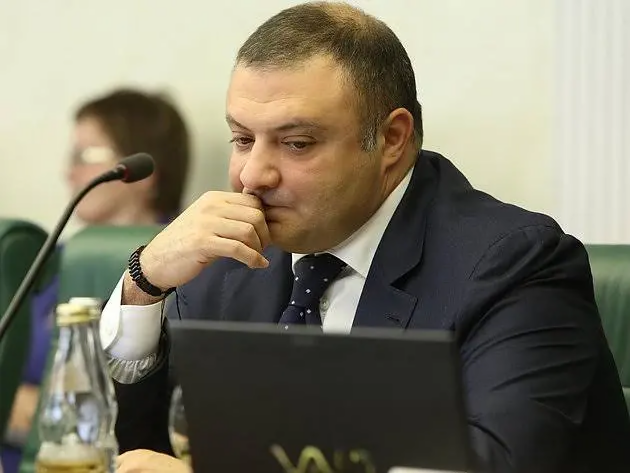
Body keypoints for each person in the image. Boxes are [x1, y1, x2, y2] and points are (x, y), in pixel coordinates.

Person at [104, 3, 630, 473]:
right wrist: (144, 284)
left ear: (391, 139)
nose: (252, 175)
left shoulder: (514, 266)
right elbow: (122, 448)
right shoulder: (227, 255)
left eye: (297, 143)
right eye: (242, 139)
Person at [0, 89, 190, 473]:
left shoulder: (184, 266)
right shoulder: (56, 258)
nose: (68, 172)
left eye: (85, 156)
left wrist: (28, 406)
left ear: (143, 172)